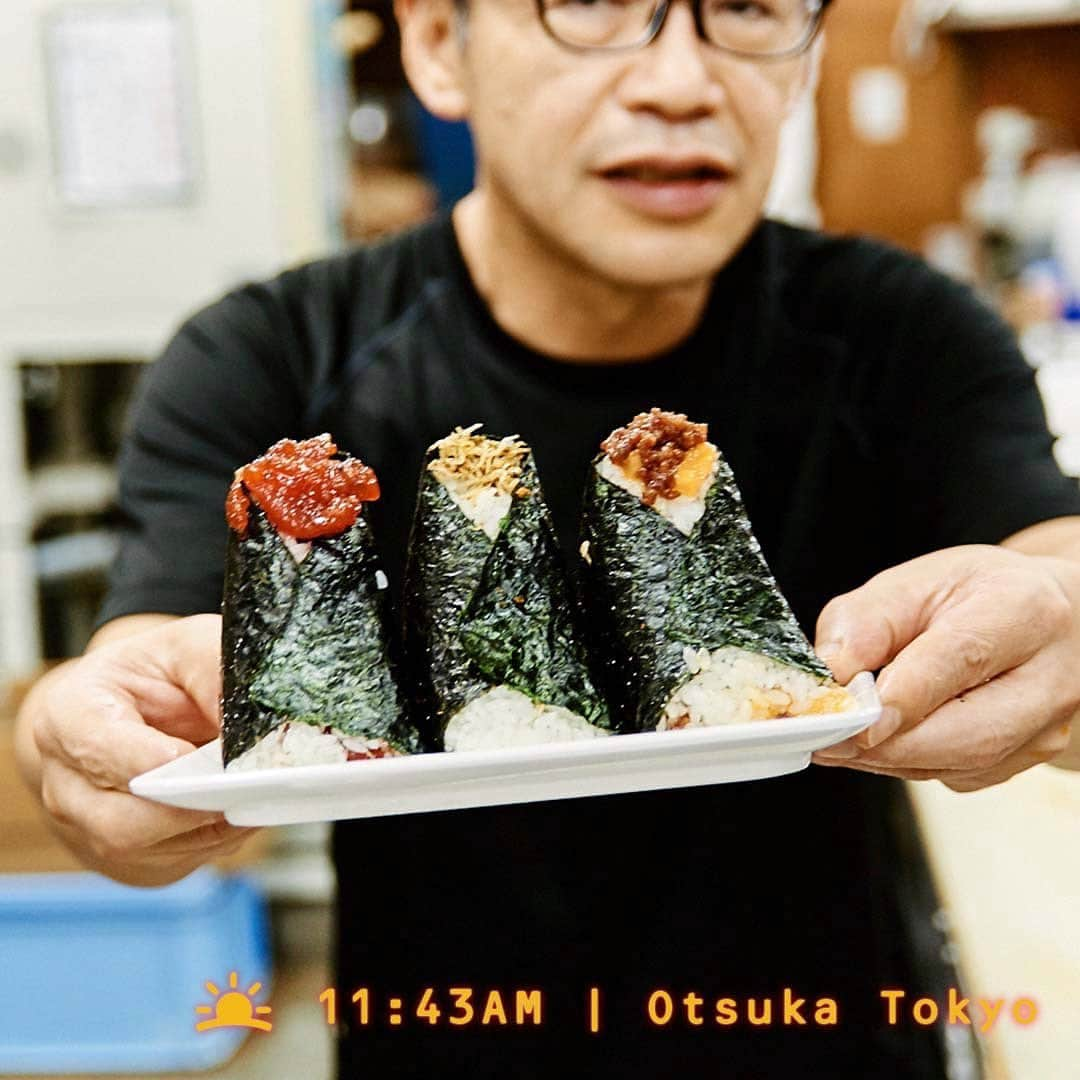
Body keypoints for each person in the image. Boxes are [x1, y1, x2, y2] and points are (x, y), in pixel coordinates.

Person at [16, 0, 1080, 1075]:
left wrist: (1064, 634)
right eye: (592, 4)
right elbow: (132, 674)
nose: (682, 80)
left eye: (751, 9)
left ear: (805, 58)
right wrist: (81, 737)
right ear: (440, 46)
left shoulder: (912, 336)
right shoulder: (268, 359)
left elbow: (1053, 572)